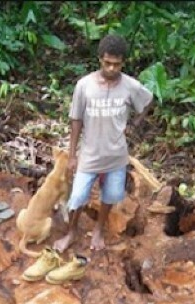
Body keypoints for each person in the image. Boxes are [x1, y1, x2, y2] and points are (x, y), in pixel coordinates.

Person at [54, 34, 154, 252]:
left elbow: (148, 100)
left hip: (116, 155)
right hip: (90, 154)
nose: (111, 68)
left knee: (110, 195)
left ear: (123, 63)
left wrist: (135, 124)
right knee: (78, 196)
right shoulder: (84, 85)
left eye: (116, 64)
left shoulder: (130, 86)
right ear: (100, 59)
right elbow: (76, 120)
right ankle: (71, 232)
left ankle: (98, 229)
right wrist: (72, 155)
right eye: (107, 63)